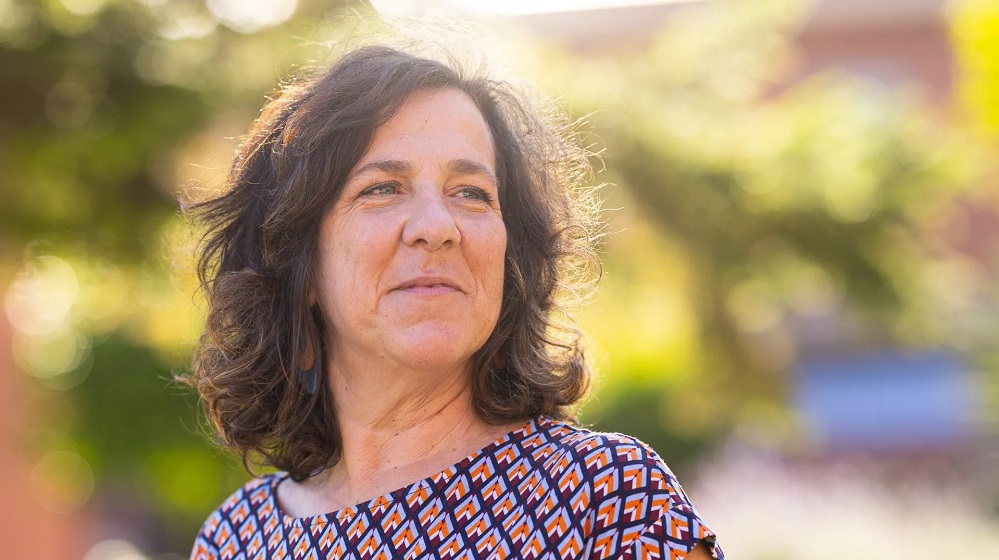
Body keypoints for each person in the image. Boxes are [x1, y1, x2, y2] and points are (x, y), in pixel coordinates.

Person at [186, 40, 723, 560]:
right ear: (296, 261)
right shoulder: (235, 538)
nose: (437, 227)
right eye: (382, 188)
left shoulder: (607, 500)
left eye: (471, 193)